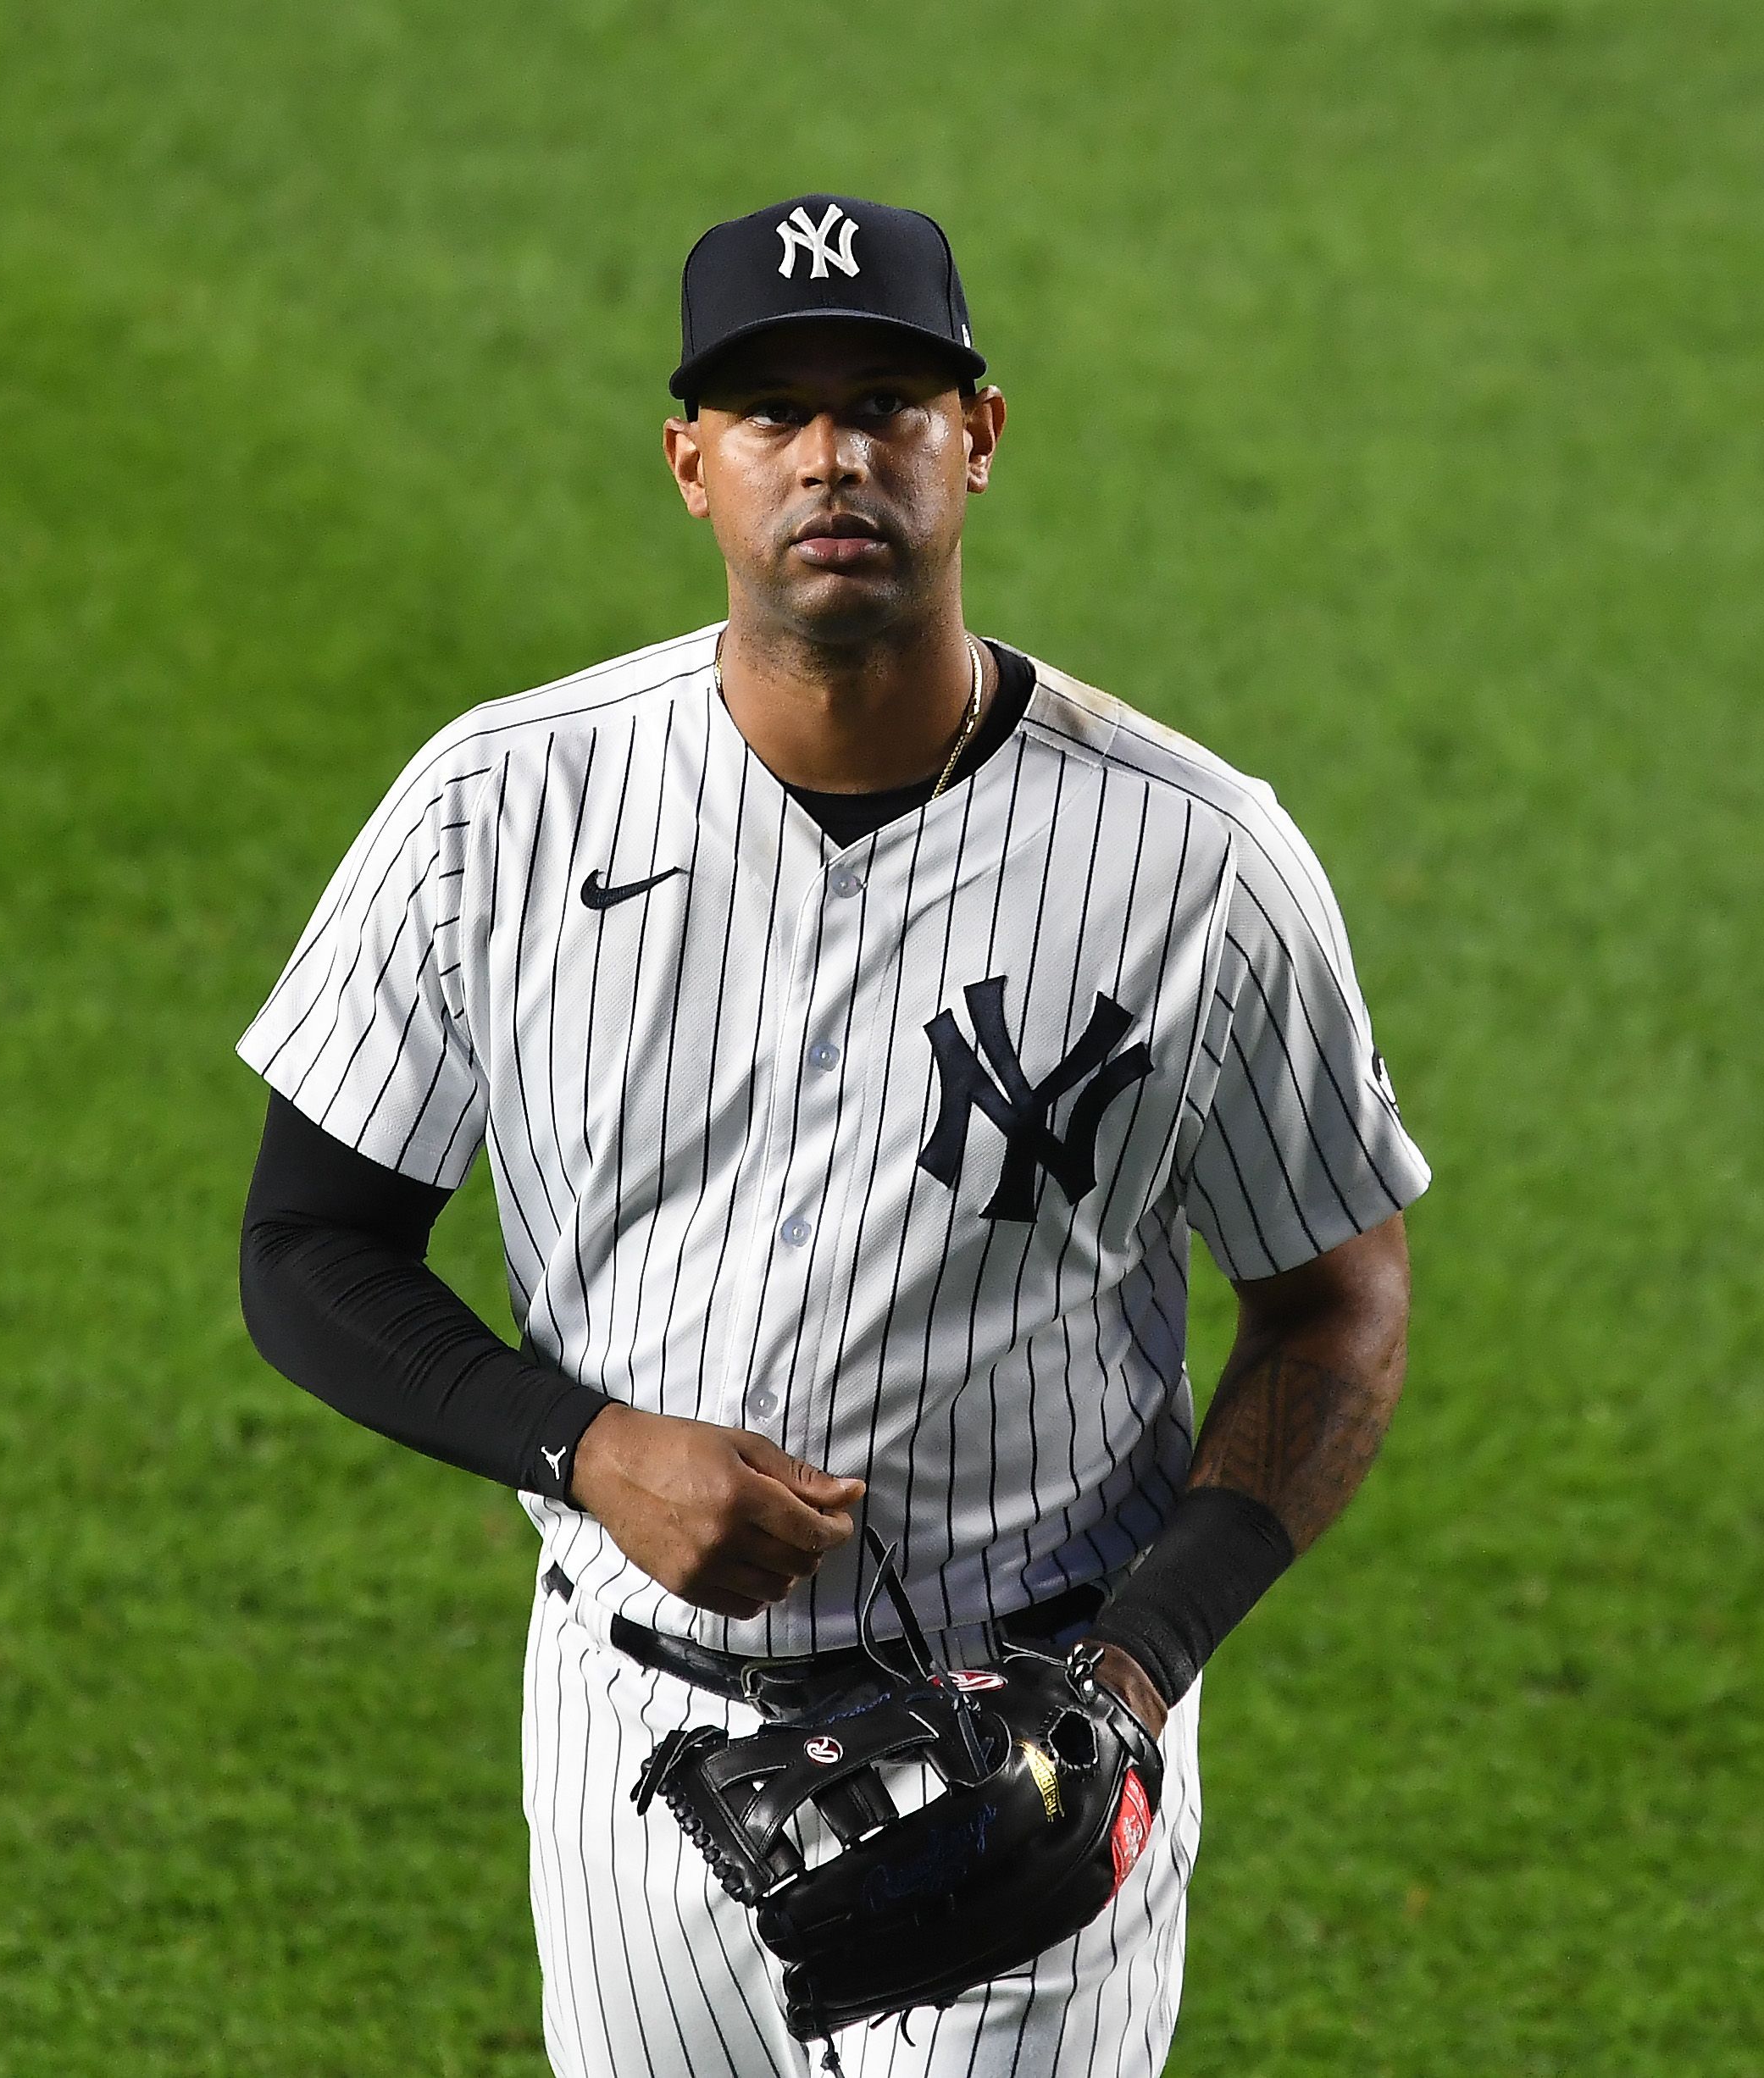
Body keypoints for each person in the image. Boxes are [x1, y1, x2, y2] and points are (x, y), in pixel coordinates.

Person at [236, 193, 1425, 2077]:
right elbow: (306, 1247)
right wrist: (586, 1442)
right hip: (623, 1743)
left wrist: (1124, 1680)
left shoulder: (1198, 864)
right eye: (774, 413)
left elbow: (1337, 1305)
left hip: (1022, 1750)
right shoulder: (496, 809)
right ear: (689, 463)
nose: (834, 457)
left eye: (887, 399)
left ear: (980, 438)